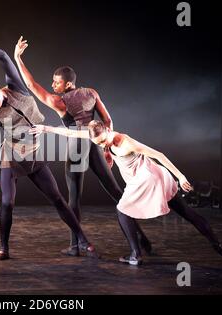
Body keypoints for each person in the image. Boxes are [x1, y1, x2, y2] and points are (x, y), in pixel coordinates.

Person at [0, 40, 98, 260]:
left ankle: (83, 239)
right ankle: (4, 248)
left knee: (57, 197)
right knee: (8, 203)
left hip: (34, 154)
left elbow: (3, 56)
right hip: (10, 158)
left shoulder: (15, 88)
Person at [13, 36, 151, 257]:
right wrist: (107, 149)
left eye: (56, 82)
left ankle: (75, 246)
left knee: (74, 198)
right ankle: (143, 240)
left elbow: (31, 85)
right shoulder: (91, 93)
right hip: (95, 146)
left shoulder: (60, 102)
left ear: (67, 84)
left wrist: (17, 58)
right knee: (117, 193)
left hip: (77, 148)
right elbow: (108, 122)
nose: (52, 85)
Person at [30, 121, 222, 265]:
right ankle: (219, 246)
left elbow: (159, 155)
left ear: (108, 130)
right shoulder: (98, 134)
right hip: (152, 177)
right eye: (99, 144)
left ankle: (136, 256)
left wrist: (180, 176)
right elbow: (71, 133)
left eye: (103, 141)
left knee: (122, 211)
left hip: (148, 178)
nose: (103, 145)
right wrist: (45, 128)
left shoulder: (125, 142)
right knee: (186, 212)